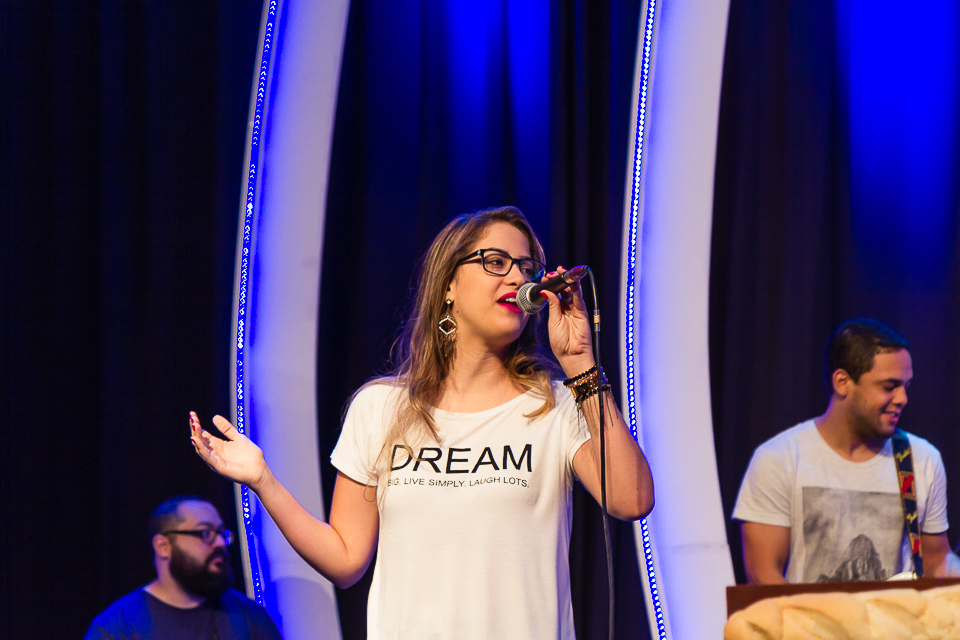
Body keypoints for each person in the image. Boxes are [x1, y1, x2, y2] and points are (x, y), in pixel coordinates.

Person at [190, 206, 654, 639]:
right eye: (496, 262)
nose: (517, 277)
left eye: (527, 268)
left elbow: (632, 499)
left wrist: (580, 364)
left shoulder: (556, 405)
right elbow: (346, 559)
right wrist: (264, 481)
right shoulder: (380, 407)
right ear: (448, 284)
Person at [733, 318, 960, 584]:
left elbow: (936, 564)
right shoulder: (779, 459)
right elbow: (763, 575)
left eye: (906, 386)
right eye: (889, 386)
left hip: (896, 613)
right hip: (803, 613)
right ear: (842, 382)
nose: (902, 399)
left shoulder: (922, 459)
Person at [84, 495, 282, 640]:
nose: (220, 543)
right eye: (205, 533)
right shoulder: (117, 627)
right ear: (163, 546)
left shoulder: (250, 617)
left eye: (221, 533)